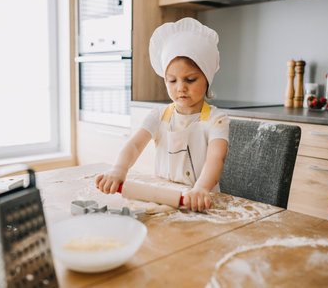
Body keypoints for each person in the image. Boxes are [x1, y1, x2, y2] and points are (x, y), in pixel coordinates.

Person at [96, 17, 229, 212]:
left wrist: (200, 189)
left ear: (207, 78)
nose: (181, 87)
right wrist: (118, 170)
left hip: (201, 202)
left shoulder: (216, 120)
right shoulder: (158, 115)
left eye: (190, 79)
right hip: (165, 199)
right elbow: (134, 145)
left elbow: (216, 158)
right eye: (172, 81)